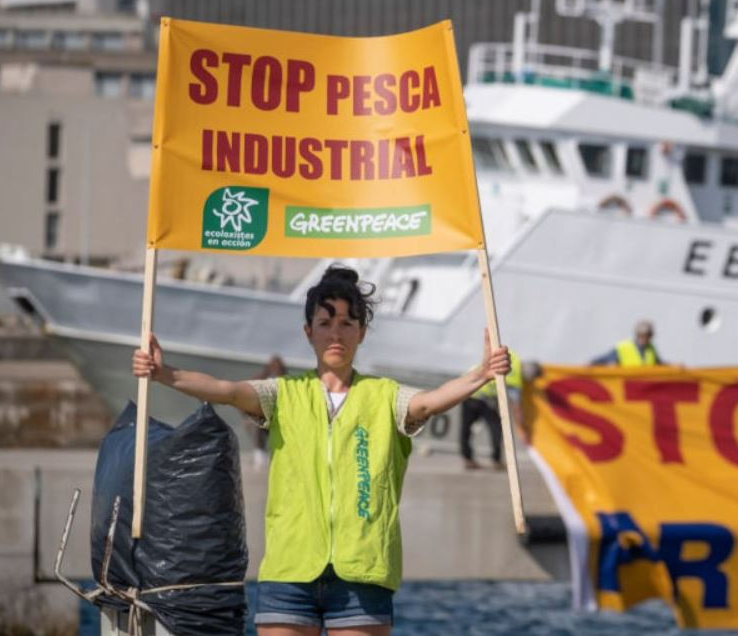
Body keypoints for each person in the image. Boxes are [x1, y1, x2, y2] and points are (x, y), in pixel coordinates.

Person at [132, 266, 510, 635]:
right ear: (308, 331)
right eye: (325, 323)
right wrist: (165, 373)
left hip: (363, 571)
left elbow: (428, 403)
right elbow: (226, 390)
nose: (336, 334)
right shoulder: (283, 393)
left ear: (361, 332)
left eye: (347, 323)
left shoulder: (385, 395)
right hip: (290, 569)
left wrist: (481, 373)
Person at [461, 349, 521, 470]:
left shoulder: (500, 358)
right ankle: (496, 460)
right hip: (484, 401)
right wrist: (520, 420)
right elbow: (515, 399)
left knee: (466, 430)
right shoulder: (516, 369)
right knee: (496, 429)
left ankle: (468, 459)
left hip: (470, 397)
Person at [592, 320, 664, 366]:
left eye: (647, 335)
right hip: (628, 387)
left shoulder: (651, 348)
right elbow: (603, 359)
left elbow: (659, 364)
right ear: (637, 335)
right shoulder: (624, 347)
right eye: (641, 335)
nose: (644, 338)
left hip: (645, 387)